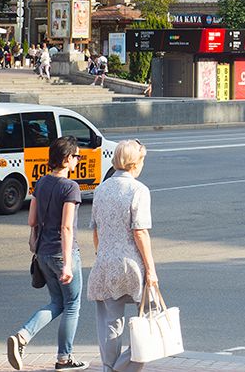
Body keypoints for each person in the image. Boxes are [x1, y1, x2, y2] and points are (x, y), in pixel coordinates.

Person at [8, 137, 88, 371]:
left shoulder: (41, 182)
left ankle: (22, 336)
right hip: (62, 254)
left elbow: (32, 220)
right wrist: (66, 264)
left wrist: (35, 242)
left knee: (57, 302)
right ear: (66, 159)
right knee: (72, 305)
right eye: (76, 156)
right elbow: (67, 227)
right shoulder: (70, 187)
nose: (78, 160)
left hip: (43, 252)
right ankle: (64, 358)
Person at [88, 139, 158, 372]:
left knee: (110, 322)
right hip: (133, 264)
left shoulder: (101, 189)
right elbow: (140, 232)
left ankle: (109, 367)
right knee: (150, 319)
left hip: (106, 262)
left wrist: (102, 254)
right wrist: (151, 269)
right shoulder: (139, 190)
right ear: (135, 163)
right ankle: (125, 366)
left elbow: (95, 229)